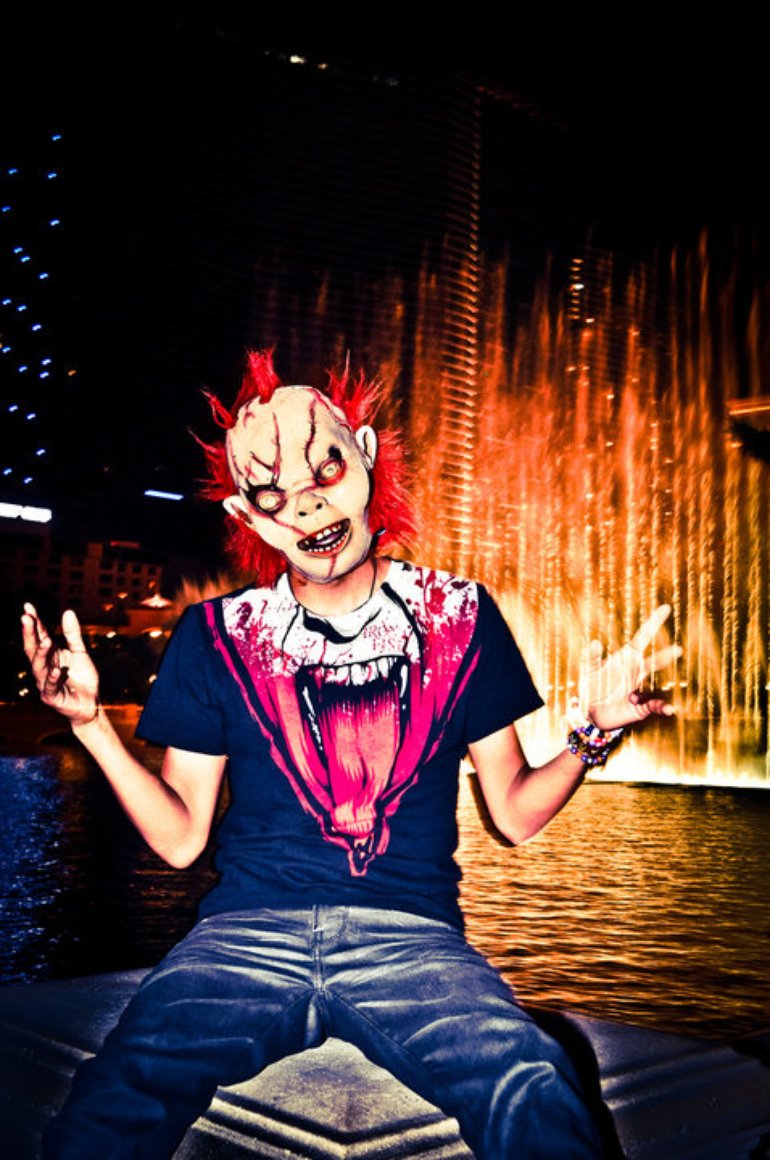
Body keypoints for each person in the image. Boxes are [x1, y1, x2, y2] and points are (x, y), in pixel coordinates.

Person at [22, 350, 681, 1159]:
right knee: (116, 1100)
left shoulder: (459, 615)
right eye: (273, 494)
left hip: (411, 937)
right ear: (248, 516)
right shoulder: (216, 634)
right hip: (242, 936)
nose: (306, 507)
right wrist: (91, 725)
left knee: (532, 1085)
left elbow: (512, 814)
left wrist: (593, 733)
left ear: (365, 454)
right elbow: (183, 836)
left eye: (325, 470)